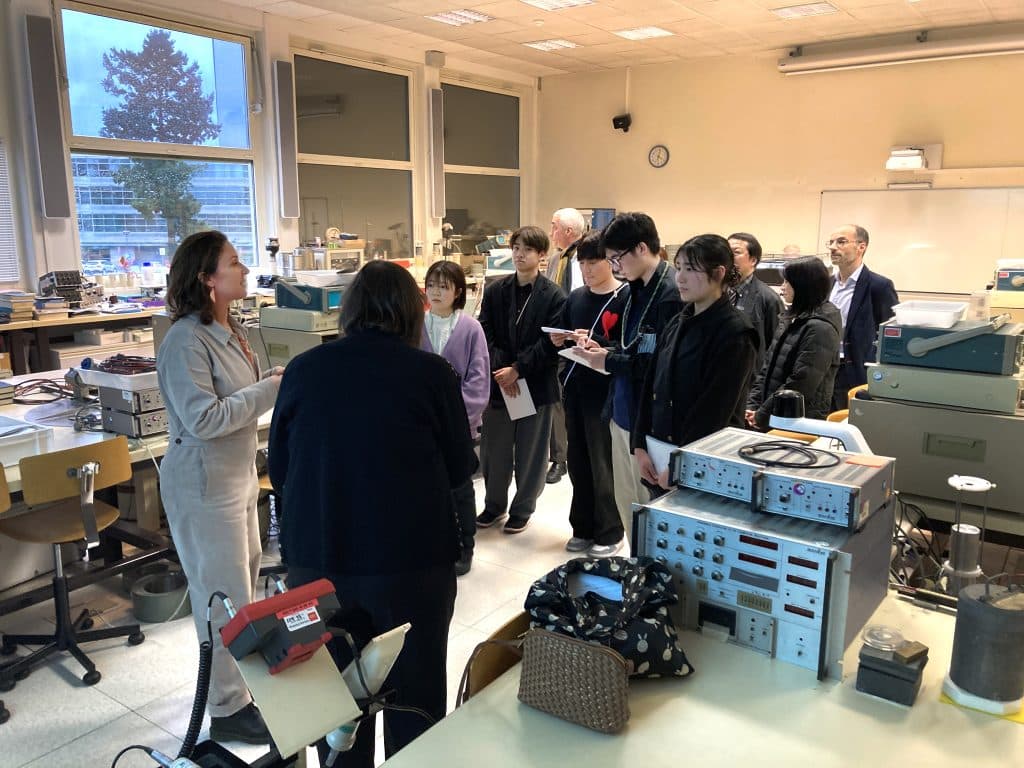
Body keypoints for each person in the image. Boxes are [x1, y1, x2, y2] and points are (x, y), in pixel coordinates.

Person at [268, 261, 476, 768]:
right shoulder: (431, 374)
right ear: (413, 312)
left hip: (321, 563)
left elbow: (280, 468)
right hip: (412, 563)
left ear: (350, 311)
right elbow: (458, 468)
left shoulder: (304, 370)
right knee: (415, 693)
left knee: (336, 703)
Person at [157, 230, 282, 745]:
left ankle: (240, 690)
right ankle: (227, 708)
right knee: (221, 598)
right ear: (208, 279)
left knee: (242, 587)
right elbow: (204, 418)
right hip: (203, 483)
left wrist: (266, 381)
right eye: (234, 263)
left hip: (235, 477)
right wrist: (268, 388)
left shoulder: (232, 330)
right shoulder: (184, 339)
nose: (246, 269)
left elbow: (239, 400)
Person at [573, 212, 682, 538]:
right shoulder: (636, 288)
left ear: (642, 248)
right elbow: (632, 346)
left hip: (649, 418)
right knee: (626, 502)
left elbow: (658, 364)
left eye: (616, 258)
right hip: (622, 411)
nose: (614, 266)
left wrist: (608, 360)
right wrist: (602, 347)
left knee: (652, 511)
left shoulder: (671, 295)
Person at [633, 234, 758, 490]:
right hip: (659, 455)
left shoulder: (735, 332)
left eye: (690, 269)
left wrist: (683, 463)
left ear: (719, 272)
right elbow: (650, 385)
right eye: (678, 268)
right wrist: (640, 445)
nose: (680, 277)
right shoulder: (678, 321)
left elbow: (715, 410)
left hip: (703, 463)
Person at [476, 225, 566, 533]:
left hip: (534, 383)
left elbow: (549, 344)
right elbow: (484, 332)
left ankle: (523, 508)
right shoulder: (495, 290)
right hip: (501, 383)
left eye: (527, 249)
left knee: (530, 453)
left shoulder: (554, 296)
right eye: (516, 248)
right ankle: (494, 505)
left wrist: (518, 369)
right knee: (495, 450)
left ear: (542, 255)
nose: (519, 254)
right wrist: (505, 371)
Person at [548, 231, 627, 557]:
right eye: (581, 262)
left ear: (610, 261)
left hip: (606, 393)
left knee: (602, 464)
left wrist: (598, 344)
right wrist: (560, 339)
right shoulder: (577, 297)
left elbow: (626, 350)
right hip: (575, 388)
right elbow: (563, 331)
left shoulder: (625, 298)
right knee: (578, 463)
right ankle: (582, 527)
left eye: (593, 262)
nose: (586, 269)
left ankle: (610, 530)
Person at [422, 260, 490, 576]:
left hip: (459, 425)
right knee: (429, 487)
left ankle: (466, 545)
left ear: (458, 291)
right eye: (431, 284)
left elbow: (478, 379)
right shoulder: (415, 325)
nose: (435, 291)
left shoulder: (470, 328)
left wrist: (452, 417)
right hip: (422, 425)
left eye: (443, 286)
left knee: (459, 486)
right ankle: (436, 544)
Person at [746, 256, 842, 430]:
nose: (783, 287)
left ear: (803, 286)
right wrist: (752, 405)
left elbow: (801, 382)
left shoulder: (820, 328)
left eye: (787, 282)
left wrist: (762, 414)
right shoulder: (791, 317)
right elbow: (767, 368)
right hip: (773, 413)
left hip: (797, 419)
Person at [827, 224, 899, 409]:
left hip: (854, 368)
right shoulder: (827, 284)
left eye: (841, 242)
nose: (833, 247)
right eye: (831, 242)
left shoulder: (878, 286)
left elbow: (889, 332)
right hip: (825, 365)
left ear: (861, 247)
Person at [544, 208, 587, 484]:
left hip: (581, 339)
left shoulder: (588, 258)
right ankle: (559, 458)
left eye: (554, 227)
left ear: (569, 232)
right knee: (555, 399)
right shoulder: (554, 259)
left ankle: (574, 454)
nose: (551, 233)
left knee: (574, 401)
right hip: (554, 336)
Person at [728, 232, 784, 370]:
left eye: (736, 252)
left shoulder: (768, 299)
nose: (728, 257)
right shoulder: (716, 293)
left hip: (750, 378)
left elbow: (775, 348)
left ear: (753, 260)